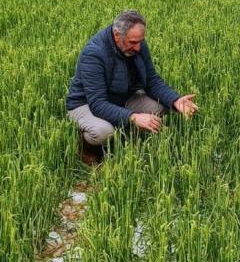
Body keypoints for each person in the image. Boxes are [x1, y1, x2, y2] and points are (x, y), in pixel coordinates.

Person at [66, 9, 198, 164]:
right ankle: (88, 150)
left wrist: (176, 100)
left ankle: (130, 138)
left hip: (122, 97)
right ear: (117, 35)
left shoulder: (137, 43)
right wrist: (133, 117)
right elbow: (98, 104)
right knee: (104, 132)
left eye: (141, 41)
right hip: (86, 104)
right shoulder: (94, 54)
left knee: (160, 106)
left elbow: (152, 81)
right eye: (133, 42)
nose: (138, 48)